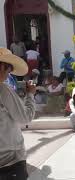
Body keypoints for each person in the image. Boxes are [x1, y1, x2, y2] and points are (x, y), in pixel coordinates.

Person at [0, 48, 36, 180]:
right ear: (2, 66)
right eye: (8, 70)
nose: (8, 74)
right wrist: (30, 95)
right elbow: (25, 117)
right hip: (11, 159)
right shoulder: (2, 89)